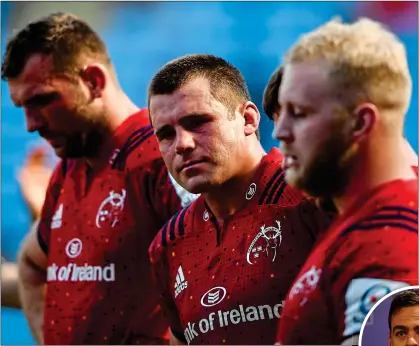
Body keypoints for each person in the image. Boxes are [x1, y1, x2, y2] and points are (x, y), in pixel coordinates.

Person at [1, 12, 197, 345]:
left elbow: (216, 278)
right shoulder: (67, 170)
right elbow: (33, 266)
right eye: (22, 107)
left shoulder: (161, 159)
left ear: (93, 81)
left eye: (42, 100)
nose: (31, 124)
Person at [147, 54, 332, 344]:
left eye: (197, 122)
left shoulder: (314, 196)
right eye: (166, 134)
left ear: (247, 119)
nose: (182, 144)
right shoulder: (168, 245)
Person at [271, 18, 418, 345]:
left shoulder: (388, 240)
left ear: (360, 123)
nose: (280, 132)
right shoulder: (360, 225)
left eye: (299, 112)